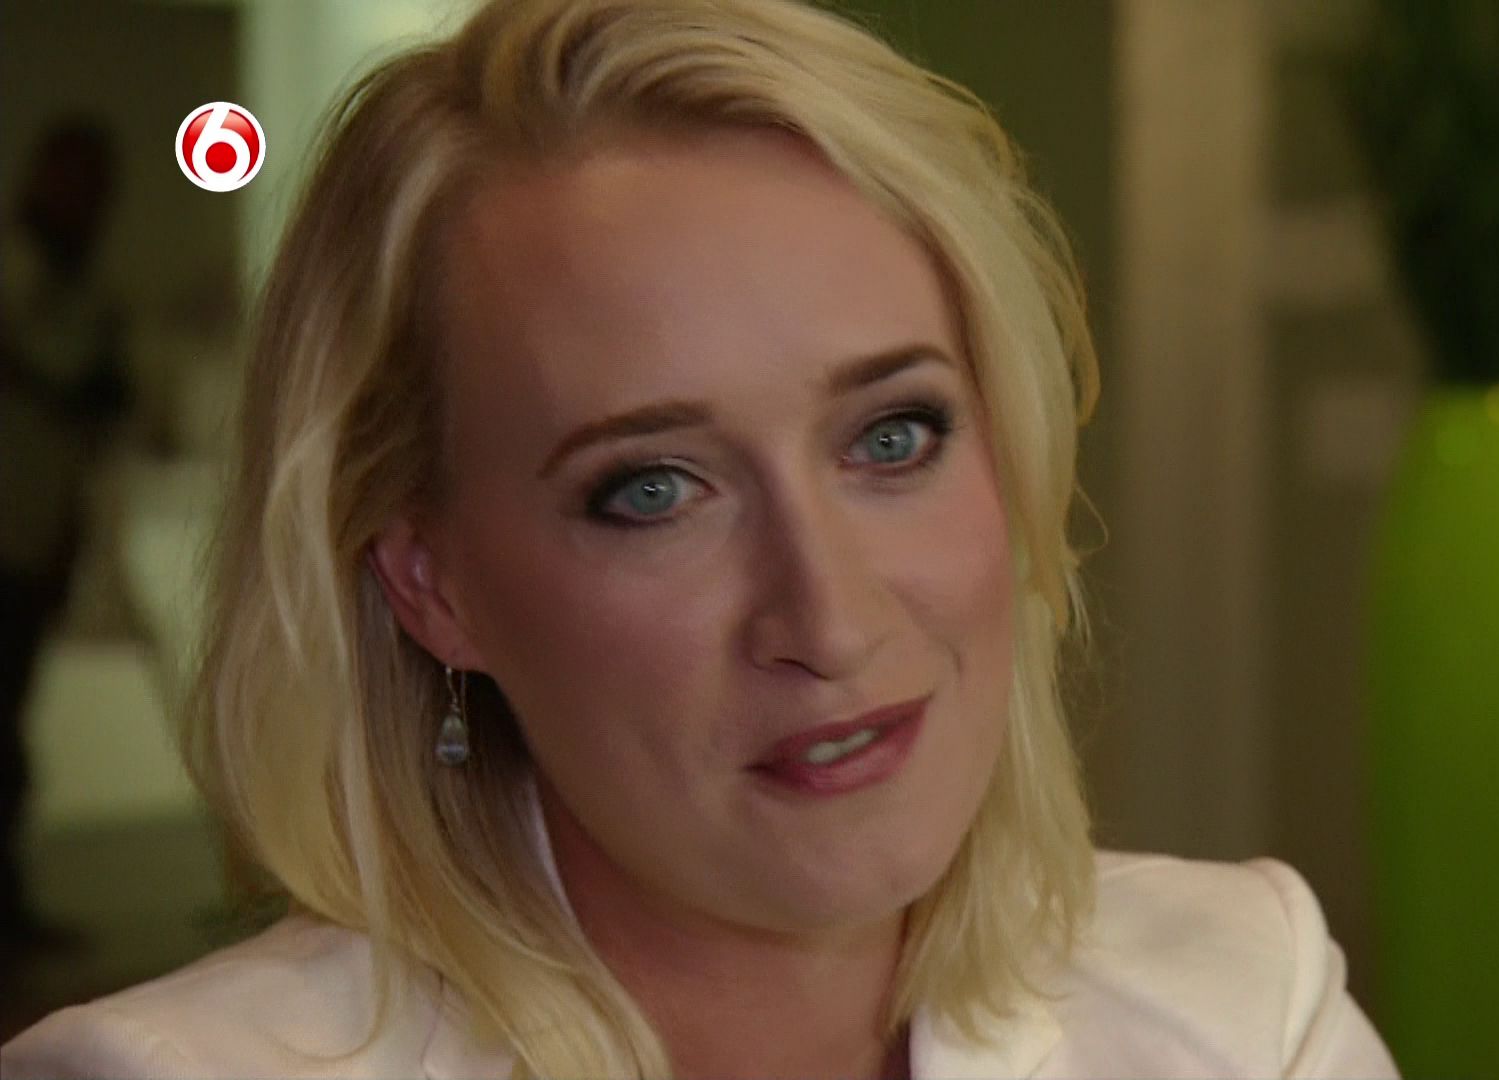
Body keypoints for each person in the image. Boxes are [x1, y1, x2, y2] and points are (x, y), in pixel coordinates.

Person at [0, 1, 1399, 1076]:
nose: (831, 620)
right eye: (654, 490)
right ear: (431, 581)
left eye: (893, 437)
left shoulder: (1243, 1005)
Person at [0, 115, 129, 960]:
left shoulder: (88, 299)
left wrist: (67, 545)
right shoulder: (17, 276)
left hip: (27, 546)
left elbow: (86, 431)